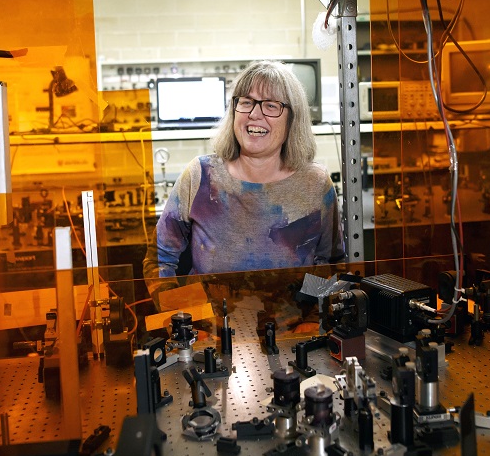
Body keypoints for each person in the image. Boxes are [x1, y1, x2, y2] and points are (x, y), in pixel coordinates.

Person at [143, 60, 345, 298]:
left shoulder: (315, 184)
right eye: (246, 102)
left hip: (293, 333)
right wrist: (181, 316)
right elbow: (159, 259)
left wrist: (307, 317)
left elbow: (332, 266)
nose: (254, 114)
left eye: (271, 106)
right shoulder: (200, 176)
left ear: (293, 119)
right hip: (212, 331)